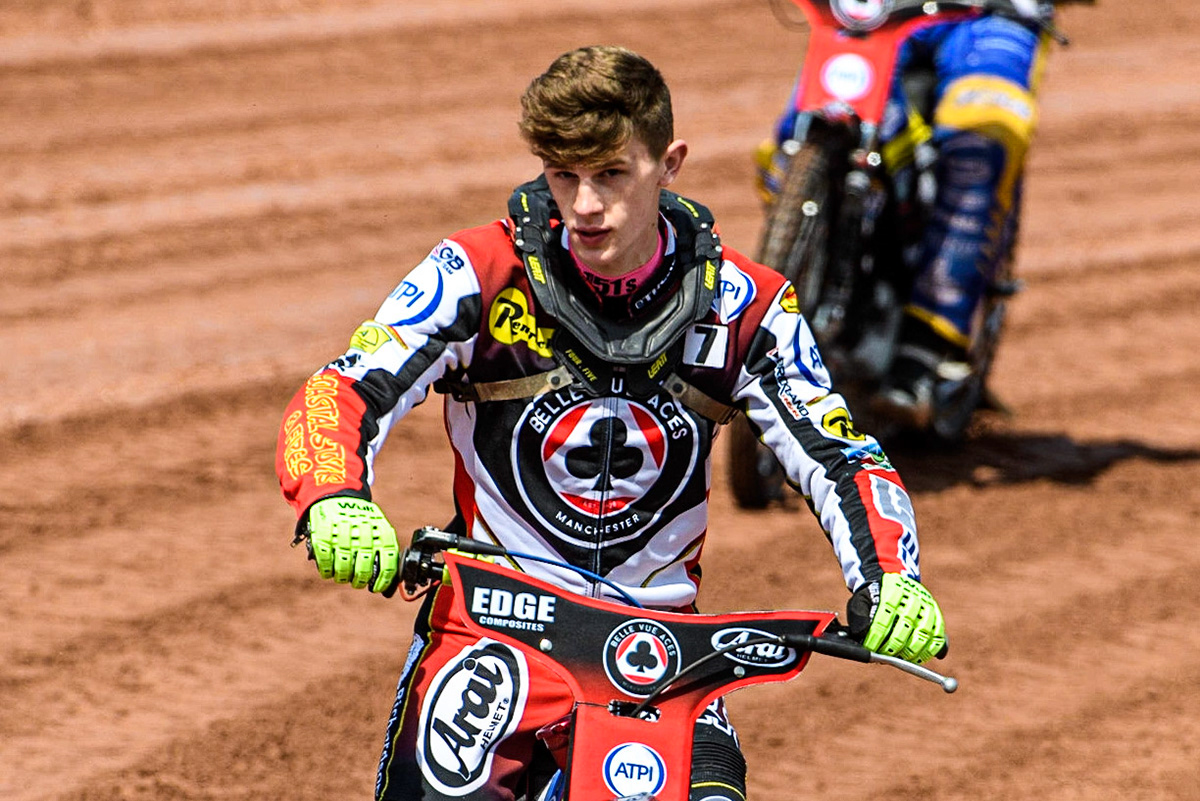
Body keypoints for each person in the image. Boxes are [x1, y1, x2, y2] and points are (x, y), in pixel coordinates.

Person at [276, 45, 946, 801]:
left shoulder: (746, 305)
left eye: (611, 174)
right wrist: (334, 496)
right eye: (563, 175)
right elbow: (344, 389)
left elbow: (839, 454)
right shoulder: (479, 272)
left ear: (670, 164)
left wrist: (892, 577)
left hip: (660, 652)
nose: (585, 205)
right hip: (493, 635)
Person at [757, 1, 1065, 428]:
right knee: (803, 125)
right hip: (879, 7)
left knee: (981, 142)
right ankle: (808, 255)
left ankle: (928, 345)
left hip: (991, 14)